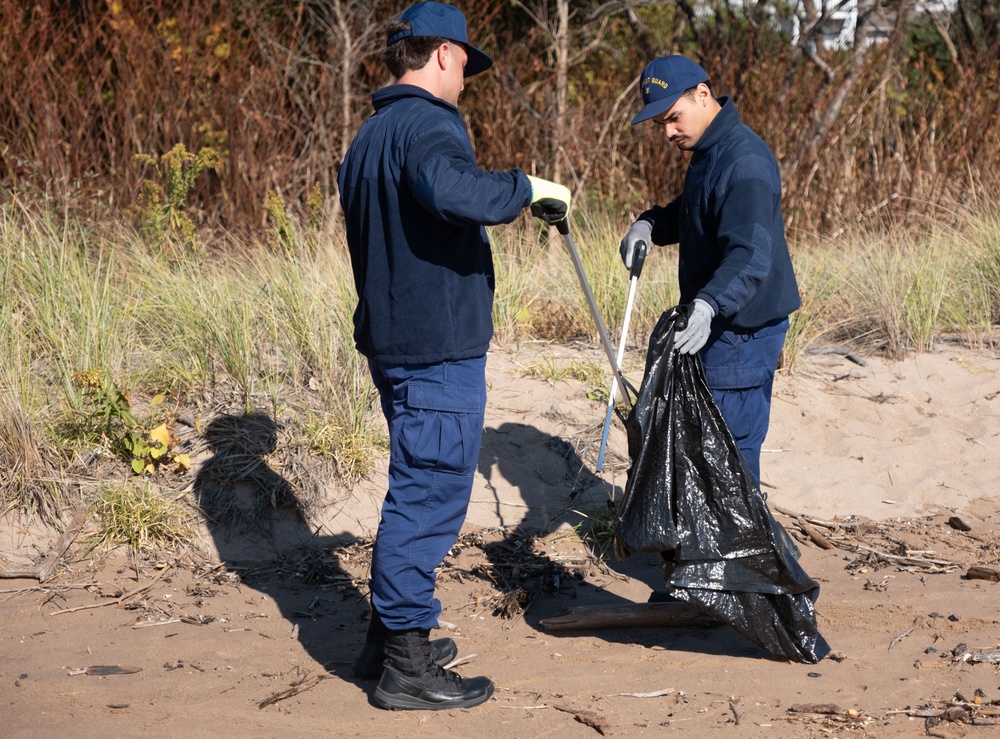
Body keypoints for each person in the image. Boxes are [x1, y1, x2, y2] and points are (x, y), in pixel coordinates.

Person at [337, 1, 570, 712]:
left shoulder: (372, 133)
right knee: (432, 493)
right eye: (466, 63)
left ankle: (388, 642)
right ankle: (407, 665)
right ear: (442, 56)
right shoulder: (430, 125)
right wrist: (525, 188)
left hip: (398, 340)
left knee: (416, 485)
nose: (467, 78)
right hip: (434, 348)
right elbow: (454, 189)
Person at [619, 55, 800, 486]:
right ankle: (706, 547)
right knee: (705, 446)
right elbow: (696, 211)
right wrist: (650, 223)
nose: (668, 132)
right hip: (719, 323)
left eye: (673, 118)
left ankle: (738, 551)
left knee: (729, 454)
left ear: (703, 94)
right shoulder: (710, 151)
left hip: (742, 331)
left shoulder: (745, 162)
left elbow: (751, 254)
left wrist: (706, 304)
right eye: (661, 123)